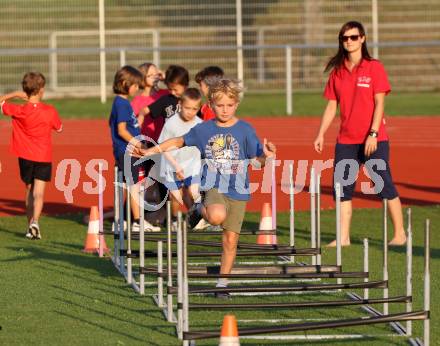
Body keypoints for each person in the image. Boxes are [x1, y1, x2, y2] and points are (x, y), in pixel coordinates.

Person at [134, 79, 276, 298]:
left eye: (229, 105)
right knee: (217, 216)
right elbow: (178, 142)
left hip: (238, 189)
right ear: (210, 105)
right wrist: (151, 151)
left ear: (236, 104)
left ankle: (222, 285)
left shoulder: (245, 129)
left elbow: (256, 163)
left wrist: (266, 156)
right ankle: (199, 208)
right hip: (212, 185)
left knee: (230, 240)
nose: (225, 110)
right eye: (220, 105)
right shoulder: (204, 129)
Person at [313, 21, 406, 247]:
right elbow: (331, 106)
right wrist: (321, 133)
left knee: (383, 183)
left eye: (354, 37)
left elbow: (379, 103)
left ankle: (400, 234)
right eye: (345, 38)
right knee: (342, 189)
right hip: (346, 141)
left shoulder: (374, 67)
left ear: (362, 38)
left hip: (373, 138)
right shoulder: (338, 72)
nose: (349, 41)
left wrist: (373, 134)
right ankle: (343, 237)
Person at [0, 72, 62, 239]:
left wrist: (14, 94)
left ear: (24, 90)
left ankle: (30, 227)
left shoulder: (19, 110)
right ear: (41, 90)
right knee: (39, 193)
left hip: (25, 156)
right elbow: (59, 127)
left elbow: (1, 102)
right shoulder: (50, 111)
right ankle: (35, 222)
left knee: (28, 189)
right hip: (43, 156)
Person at [109, 65, 160, 232]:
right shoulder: (122, 104)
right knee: (135, 187)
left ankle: (122, 220)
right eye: (135, 85)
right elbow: (121, 130)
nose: (137, 89)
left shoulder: (120, 103)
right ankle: (138, 221)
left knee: (131, 186)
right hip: (129, 152)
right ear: (124, 83)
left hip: (127, 151)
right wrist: (139, 144)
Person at [156, 88, 203, 229]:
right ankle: (174, 220)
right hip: (172, 164)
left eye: (195, 109)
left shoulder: (200, 123)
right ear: (180, 104)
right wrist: (176, 166)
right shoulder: (171, 123)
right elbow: (162, 147)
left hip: (192, 164)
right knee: (176, 195)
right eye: (187, 108)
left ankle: (194, 217)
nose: (190, 112)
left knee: (194, 192)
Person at [138, 64, 189, 141]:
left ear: (185, 85)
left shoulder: (192, 99)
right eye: (170, 89)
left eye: (175, 89)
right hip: (169, 142)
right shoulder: (166, 100)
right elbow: (144, 110)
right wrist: (141, 116)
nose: (172, 92)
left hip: (187, 141)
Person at [131, 62, 169, 142]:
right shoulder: (137, 100)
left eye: (156, 74)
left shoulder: (166, 94)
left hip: (164, 141)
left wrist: (165, 77)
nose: (154, 77)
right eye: (150, 75)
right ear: (142, 77)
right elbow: (133, 125)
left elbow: (178, 87)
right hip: (147, 143)